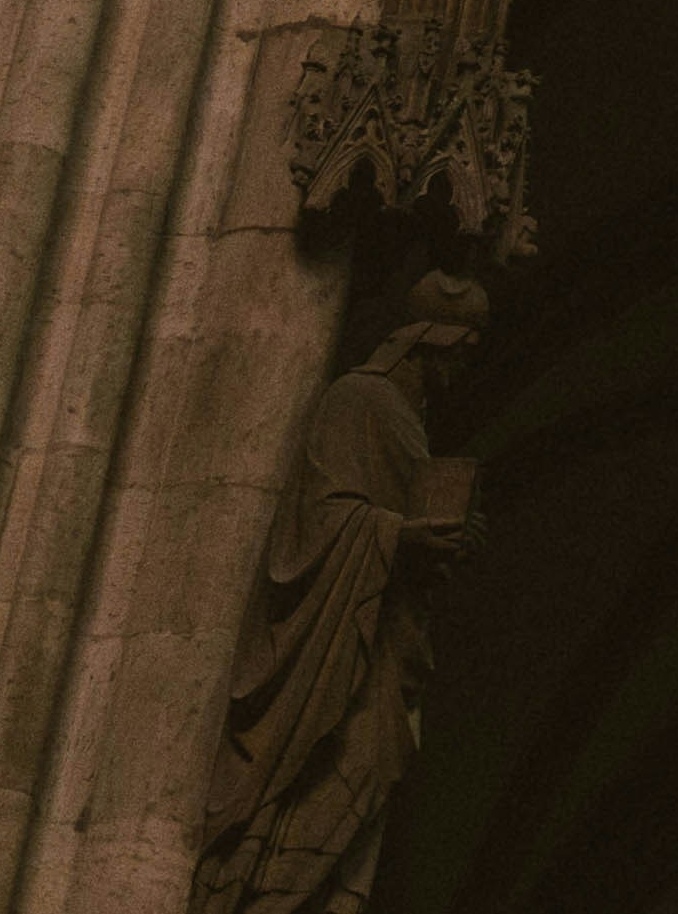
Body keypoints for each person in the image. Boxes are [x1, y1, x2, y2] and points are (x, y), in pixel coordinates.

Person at [197, 273, 486, 914]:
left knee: (372, 770)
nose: (462, 369)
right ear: (427, 344)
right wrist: (402, 539)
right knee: (339, 772)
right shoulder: (360, 399)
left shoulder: (405, 420)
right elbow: (321, 521)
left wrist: (440, 540)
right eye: (460, 352)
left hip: (382, 641)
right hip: (334, 646)